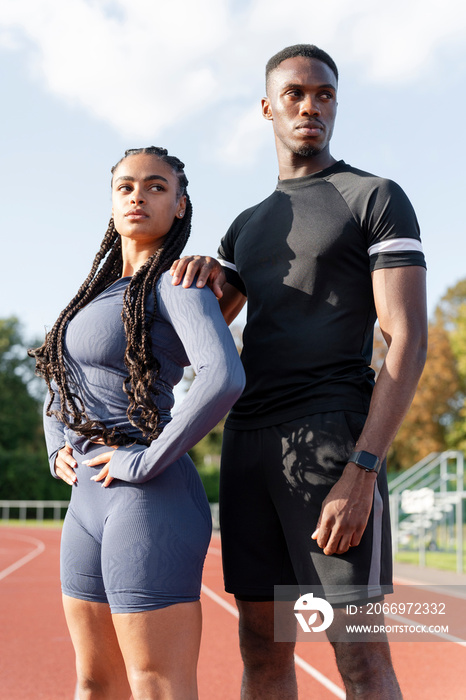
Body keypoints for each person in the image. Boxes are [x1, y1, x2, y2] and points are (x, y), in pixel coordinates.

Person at [170, 45, 427, 699]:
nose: (310, 105)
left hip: (334, 438)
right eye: (294, 94)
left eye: (323, 94)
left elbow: (405, 338)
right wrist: (202, 278)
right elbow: (201, 342)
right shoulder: (245, 228)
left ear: (335, 104)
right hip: (250, 444)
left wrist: (363, 469)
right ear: (268, 107)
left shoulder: (374, 197)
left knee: (360, 661)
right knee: (261, 650)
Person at [29, 146, 245, 700]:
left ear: (179, 204)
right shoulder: (95, 292)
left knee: (155, 684)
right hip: (88, 499)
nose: (137, 196)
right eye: (125, 186)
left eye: (154, 186)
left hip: (147, 496)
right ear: (111, 201)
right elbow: (59, 376)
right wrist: (58, 445)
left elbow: (222, 377)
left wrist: (146, 459)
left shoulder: (178, 280)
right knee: (93, 681)